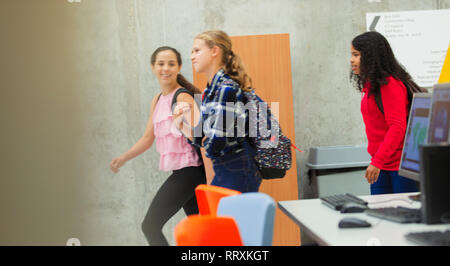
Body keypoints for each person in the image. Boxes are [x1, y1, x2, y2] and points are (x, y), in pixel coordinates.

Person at [109, 46, 206, 246]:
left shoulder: (183, 97)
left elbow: (202, 138)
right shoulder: (158, 99)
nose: (166, 68)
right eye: (161, 64)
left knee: (150, 226)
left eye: (171, 64)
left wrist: (213, 177)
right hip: (182, 173)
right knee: (201, 233)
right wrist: (123, 158)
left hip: (191, 172)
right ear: (153, 67)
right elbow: (147, 138)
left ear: (179, 67)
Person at [181, 30, 261, 193]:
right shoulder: (210, 91)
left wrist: (205, 141)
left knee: (234, 218)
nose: (192, 56)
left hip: (237, 169)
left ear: (214, 51)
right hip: (227, 169)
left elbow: (216, 143)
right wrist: (181, 125)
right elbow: (200, 136)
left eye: (197, 50)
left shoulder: (225, 89)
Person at [350, 31, 419, 195]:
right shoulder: (371, 86)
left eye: (356, 55)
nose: (352, 60)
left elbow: (397, 127)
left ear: (370, 57)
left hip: (399, 168)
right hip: (382, 164)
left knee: (402, 216)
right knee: (380, 214)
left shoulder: (389, 85)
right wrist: (378, 161)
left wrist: (377, 162)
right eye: (352, 55)